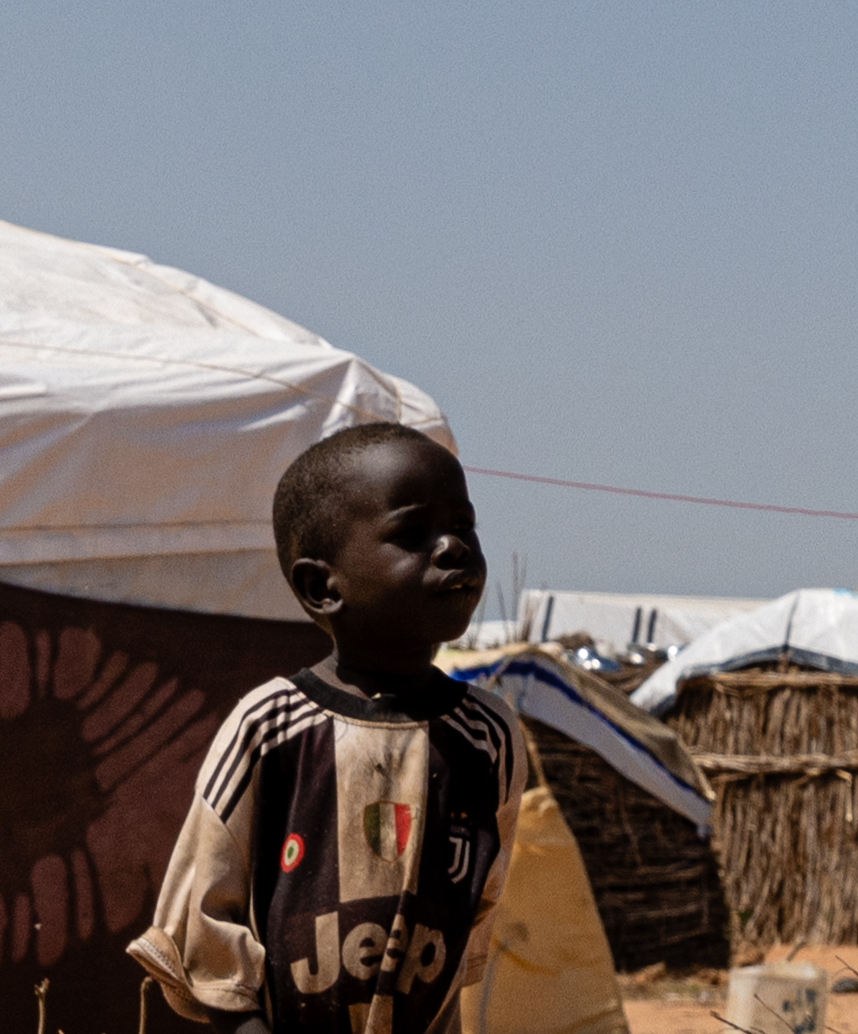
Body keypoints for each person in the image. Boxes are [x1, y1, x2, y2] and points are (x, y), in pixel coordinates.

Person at [137, 422, 598, 1029]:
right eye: (412, 534)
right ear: (322, 586)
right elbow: (202, 916)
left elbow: (476, 909)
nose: (453, 547)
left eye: (463, 526)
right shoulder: (270, 727)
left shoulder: (487, 736)